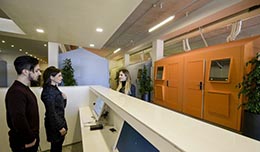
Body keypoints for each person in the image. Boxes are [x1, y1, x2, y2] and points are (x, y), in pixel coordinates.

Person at [5, 55, 41, 152]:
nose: (39, 73)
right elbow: (18, 118)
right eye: (37, 70)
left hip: (29, 141)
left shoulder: (24, 89)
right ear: (25, 72)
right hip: (25, 143)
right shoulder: (16, 92)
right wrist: (30, 139)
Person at [41, 66, 68, 152]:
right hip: (55, 125)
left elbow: (60, 108)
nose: (62, 77)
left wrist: (64, 99)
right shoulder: (49, 92)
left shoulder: (54, 88)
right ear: (51, 77)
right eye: (59, 75)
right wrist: (60, 127)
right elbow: (51, 112)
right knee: (56, 148)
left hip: (59, 121)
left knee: (58, 147)